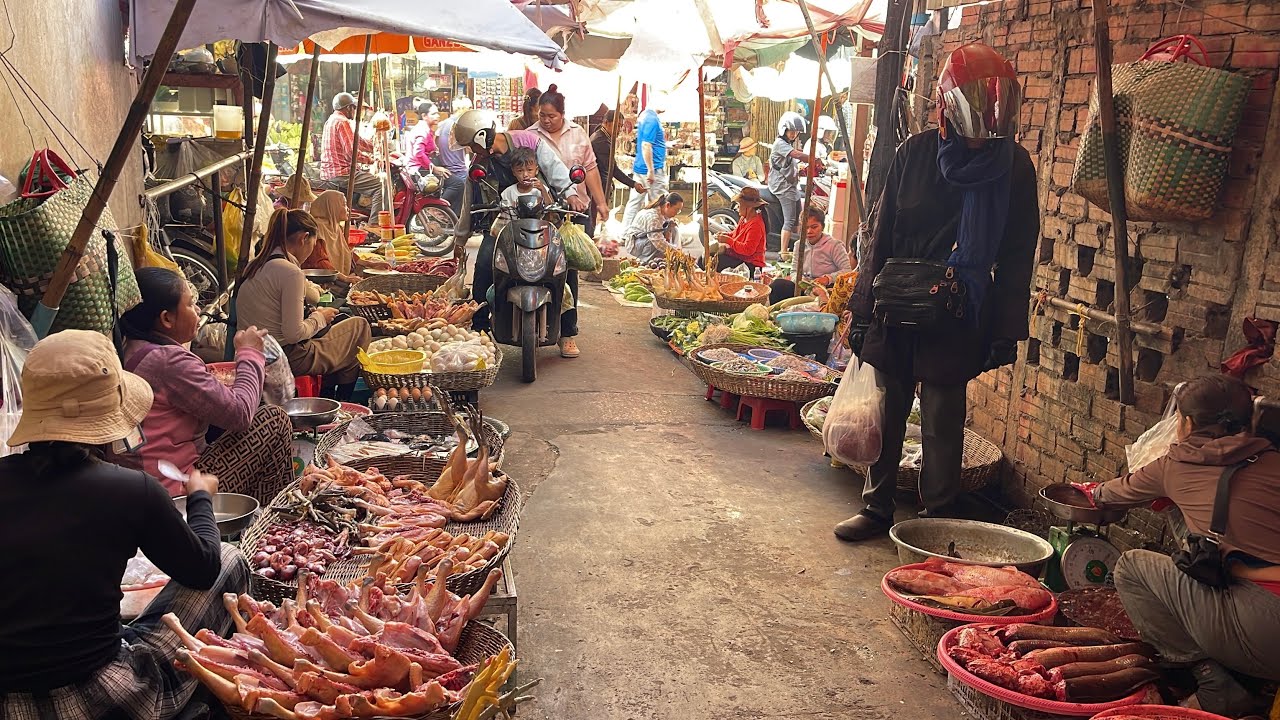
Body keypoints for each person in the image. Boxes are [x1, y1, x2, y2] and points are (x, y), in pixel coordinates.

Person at [835, 42, 1039, 541]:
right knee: (889, 407)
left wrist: (1004, 330)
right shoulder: (915, 152)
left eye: (994, 103)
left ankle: (936, 518)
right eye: (975, 102)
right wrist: (860, 312)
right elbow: (880, 235)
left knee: (944, 418)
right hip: (898, 300)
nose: (986, 115)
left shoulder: (1013, 165)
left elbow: (1017, 254)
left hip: (959, 306)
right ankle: (877, 507)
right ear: (950, 103)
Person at [0, 329, 246, 719]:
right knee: (229, 558)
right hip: (99, 695)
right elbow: (203, 568)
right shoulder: (131, 489)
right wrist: (200, 497)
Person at [1079, 375, 1280, 716]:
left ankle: (1214, 678)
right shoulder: (1273, 459)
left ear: (1185, 423)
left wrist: (1088, 490)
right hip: (1265, 604)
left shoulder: (1177, 464)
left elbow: (1109, 493)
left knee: (1131, 566)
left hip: (1264, 628)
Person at [113, 267, 294, 503]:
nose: (198, 310)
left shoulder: (133, 347)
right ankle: (276, 518)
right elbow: (240, 414)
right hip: (174, 489)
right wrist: (249, 354)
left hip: (143, 479)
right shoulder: (168, 361)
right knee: (274, 420)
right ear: (166, 318)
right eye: (189, 305)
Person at [453, 109, 584, 348]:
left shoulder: (529, 142)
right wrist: (459, 240)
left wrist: (571, 195)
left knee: (565, 265)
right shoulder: (480, 164)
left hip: (543, 219)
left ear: (483, 137)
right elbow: (467, 202)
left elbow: (556, 170)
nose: (472, 151)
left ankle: (567, 331)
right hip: (502, 223)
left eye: (472, 145)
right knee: (483, 265)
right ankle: (480, 330)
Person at [235, 208, 372, 401]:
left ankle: (328, 399)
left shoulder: (255, 264)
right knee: (359, 328)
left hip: (254, 350)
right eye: (313, 244)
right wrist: (319, 318)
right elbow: (294, 334)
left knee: (343, 339)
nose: (310, 252)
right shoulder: (290, 272)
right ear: (304, 238)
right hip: (284, 355)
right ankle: (341, 403)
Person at [768, 207, 852, 302]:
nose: (809, 231)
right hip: (805, 289)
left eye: (814, 227)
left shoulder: (835, 245)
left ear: (823, 227)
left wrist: (828, 278)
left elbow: (847, 271)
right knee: (777, 285)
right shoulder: (799, 245)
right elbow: (794, 271)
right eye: (806, 227)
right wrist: (800, 280)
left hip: (827, 289)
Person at [320, 92, 382, 216]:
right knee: (379, 186)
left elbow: (357, 141)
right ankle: (374, 224)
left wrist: (376, 147)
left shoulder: (331, 120)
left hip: (330, 171)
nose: (355, 111)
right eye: (354, 108)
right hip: (341, 173)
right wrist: (371, 160)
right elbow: (351, 153)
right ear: (348, 108)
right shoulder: (343, 122)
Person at [769, 111, 818, 256]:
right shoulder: (780, 144)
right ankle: (783, 252)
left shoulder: (788, 144)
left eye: (796, 132)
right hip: (783, 187)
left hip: (792, 186)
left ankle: (795, 248)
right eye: (791, 131)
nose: (794, 134)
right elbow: (797, 155)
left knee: (798, 220)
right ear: (784, 130)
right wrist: (813, 158)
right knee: (789, 221)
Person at [621, 96, 668, 230]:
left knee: (636, 202)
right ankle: (660, 232)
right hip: (651, 168)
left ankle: (626, 232)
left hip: (642, 167)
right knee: (659, 203)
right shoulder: (651, 119)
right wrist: (651, 170)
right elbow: (646, 145)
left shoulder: (645, 116)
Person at [590, 109, 647, 222]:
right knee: (596, 220)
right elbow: (613, 170)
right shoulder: (601, 141)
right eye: (617, 126)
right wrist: (633, 184)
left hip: (601, 186)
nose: (619, 130)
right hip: (598, 188)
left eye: (621, 126)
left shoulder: (602, 136)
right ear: (606, 123)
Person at [712, 187, 767, 274]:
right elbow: (736, 234)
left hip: (751, 265)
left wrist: (728, 240)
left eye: (739, 205)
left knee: (714, 261)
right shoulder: (743, 219)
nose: (737, 207)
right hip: (739, 258)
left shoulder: (756, 225)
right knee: (706, 258)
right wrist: (726, 235)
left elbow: (748, 250)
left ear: (748, 207)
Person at [623, 192, 684, 266]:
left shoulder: (662, 212)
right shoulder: (653, 217)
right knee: (655, 243)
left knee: (674, 228)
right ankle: (646, 260)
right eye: (676, 210)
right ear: (668, 205)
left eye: (679, 211)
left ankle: (666, 257)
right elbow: (658, 242)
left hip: (645, 239)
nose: (677, 213)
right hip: (636, 244)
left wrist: (670, 226)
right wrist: (677, 253)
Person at [434, 97, 472, 215]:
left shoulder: (442, 124)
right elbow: (470, 147)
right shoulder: (459, 125)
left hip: (446, 164)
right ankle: (443, 213)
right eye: (470, 108)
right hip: (456, 169)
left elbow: (436, 143)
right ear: (463, 109)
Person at [307, 190, 357, 279]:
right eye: (344, 204)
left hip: (336, 276)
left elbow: (346, 253)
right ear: (333, 207)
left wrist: (371, 264)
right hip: (322, 280)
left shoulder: (335, 226)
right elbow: (320, 262)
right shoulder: (317, 228)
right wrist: (344, 278)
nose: (348, 208)